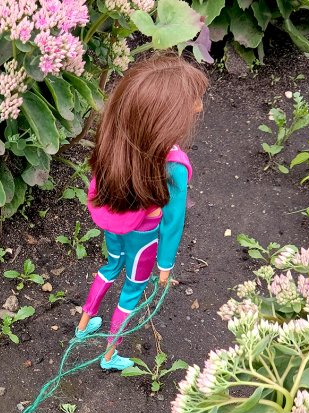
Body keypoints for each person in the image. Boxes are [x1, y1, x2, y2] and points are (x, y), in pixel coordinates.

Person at [74, 54, 208, 371]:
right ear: (164, 118)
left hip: (115, 224)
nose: (198, 108)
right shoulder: (174, 165)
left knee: (110, 266)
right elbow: (173, 222)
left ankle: (83, 325)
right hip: (143, 237)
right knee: (133, 289)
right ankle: (109, 355)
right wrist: (165, 263)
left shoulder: (118, 144)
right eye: (192, 103)